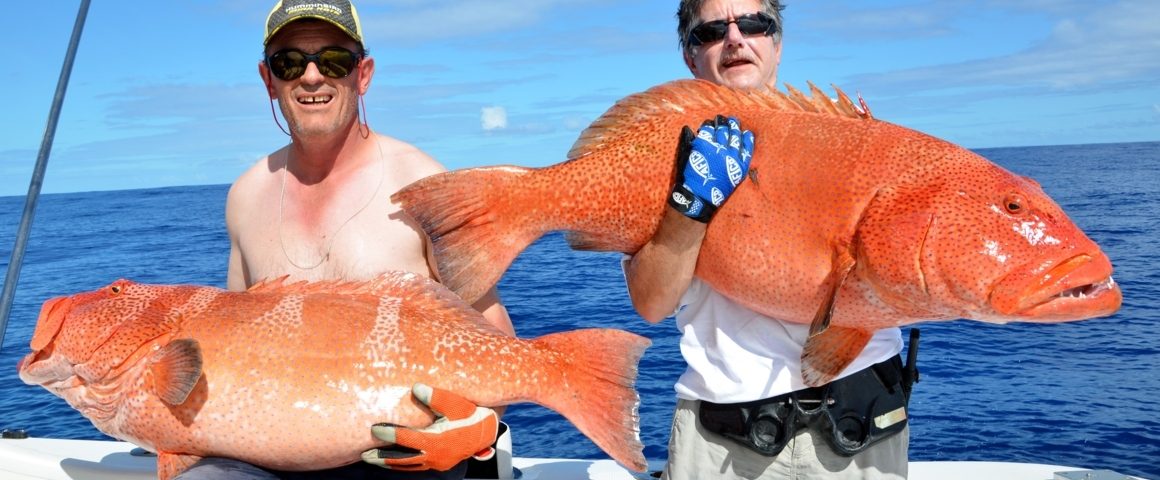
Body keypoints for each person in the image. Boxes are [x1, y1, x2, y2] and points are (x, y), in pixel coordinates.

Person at [177, 1, 514, 479]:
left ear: (364, 74)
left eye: (333, 59)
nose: (311, 77)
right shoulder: (246, 196)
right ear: (267, 80)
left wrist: (479, 426)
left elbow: (498, 339)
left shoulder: (422, 183)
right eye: (289, 62)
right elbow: (236, 348)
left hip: (402, 456)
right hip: (275, 453)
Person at [623, 1, 912, 479]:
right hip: (724, 440)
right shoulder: (660, 154)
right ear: (690, 57)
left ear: (777, 44)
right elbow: (651, 303)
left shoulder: (855, 138)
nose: (735, 39)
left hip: (863, 426)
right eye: (711, 31)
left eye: (755, 25)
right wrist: (690, 205)